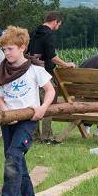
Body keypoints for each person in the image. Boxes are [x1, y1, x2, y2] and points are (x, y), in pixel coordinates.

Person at [0, 26, 55, 196]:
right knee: (18, 164)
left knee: (13, 157)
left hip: (28, 121)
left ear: (22, 47)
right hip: (8, 121)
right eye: (4, 49)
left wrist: (43, 108)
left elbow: (50, 91)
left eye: (10, 49)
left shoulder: (35, 69)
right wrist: (5, 112)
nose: (6, 53)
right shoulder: (2, 71)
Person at [28, 11, 75, 143]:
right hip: (45, 74)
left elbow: (27, 52)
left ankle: (35, 136)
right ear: (55, 22)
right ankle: (47, 136)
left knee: (35, 104)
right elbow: (52, 56)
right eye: (59, 24)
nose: (58, 27)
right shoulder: (48, 34)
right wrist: (66, 64)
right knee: (48, 105)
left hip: (32, 73)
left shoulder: (33, 33)